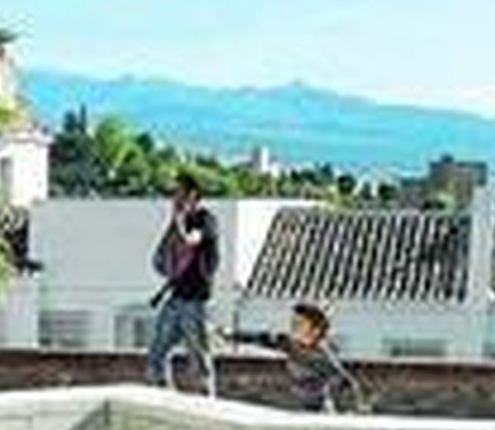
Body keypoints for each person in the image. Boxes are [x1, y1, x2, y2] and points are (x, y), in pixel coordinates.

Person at [146, 171, 220, 397]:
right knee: (156, 354)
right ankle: (165, 399)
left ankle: (208, 404)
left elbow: (191, 240)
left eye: (178, 192)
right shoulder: (178, 221)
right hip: (176, 296)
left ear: (192, 195)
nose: (174, 198)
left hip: (195, 301)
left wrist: (178, 221)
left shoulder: (206, 219)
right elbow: (162, 260)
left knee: (198, 358)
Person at [225, 302, 365, 414]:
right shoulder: (289, 343)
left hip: (316, 411)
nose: (293, 328)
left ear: (315, 331)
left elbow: (347, 382)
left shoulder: (322, 356)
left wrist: (354, 408)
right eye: (293, 324)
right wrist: (232, 335)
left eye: (299, 325)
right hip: (296, 406)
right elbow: (262, 338)